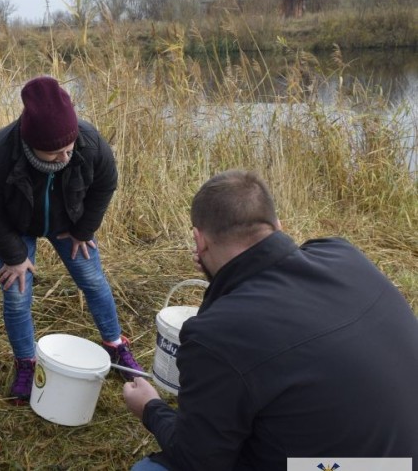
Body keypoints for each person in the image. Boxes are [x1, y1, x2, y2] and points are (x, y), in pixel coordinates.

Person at [123, 170, 418, 470]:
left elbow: (196, 460)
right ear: (278, 226)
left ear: (199, 241)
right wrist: (222, 273)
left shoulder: (215, 336)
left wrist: (150, 408)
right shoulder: (342, 254)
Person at [0, 76, 143, 404]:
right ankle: (26, 362)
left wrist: (84, 231)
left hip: (70, 224)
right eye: (54, 153)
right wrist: (14, 255)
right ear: (29, 141)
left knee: (92, 280)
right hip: (15, 227)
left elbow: (106, 184)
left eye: (69, 148)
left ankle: (116, 346)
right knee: (17, 294)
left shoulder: (88, 141)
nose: (65, 157)